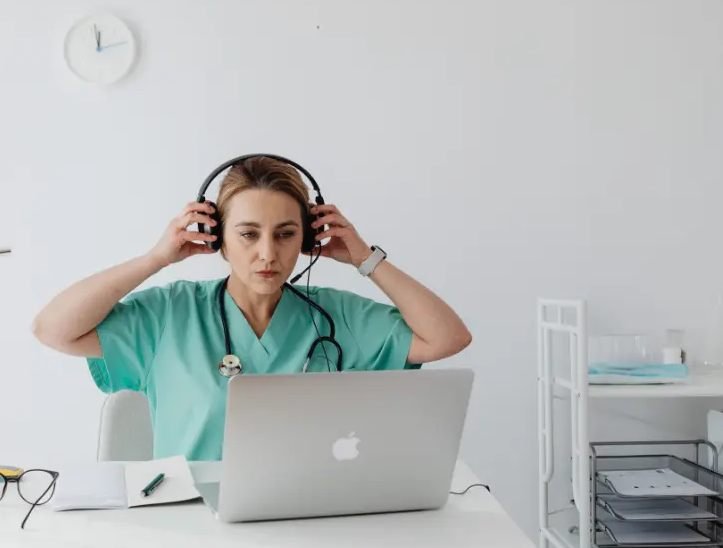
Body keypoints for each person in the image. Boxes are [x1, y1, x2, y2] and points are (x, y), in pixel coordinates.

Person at [32, 156, 472, 462]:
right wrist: (156, 258)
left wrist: (364, 258)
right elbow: (54, 328)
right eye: (247, 234)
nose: (268, 253)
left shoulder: (336, 318)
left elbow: (447, 338)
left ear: (307, 239)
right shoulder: (170, 314)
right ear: (216, 236)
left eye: (285, 234)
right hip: (193, 538)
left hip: (306, 526)